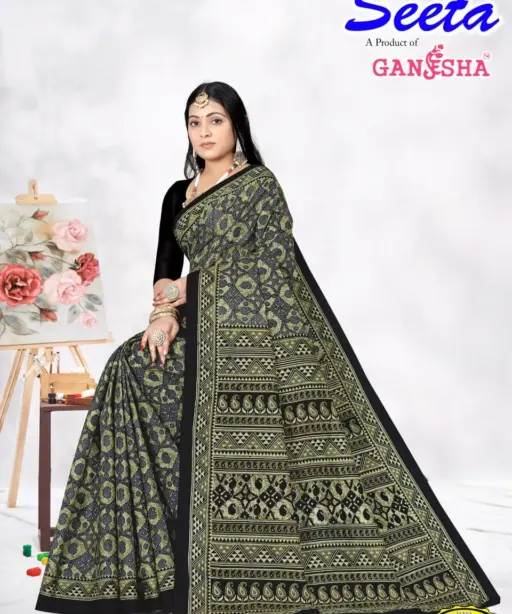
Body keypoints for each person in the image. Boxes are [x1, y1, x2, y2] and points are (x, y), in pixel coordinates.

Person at [35, 82, 501, 614]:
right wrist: (163, 316)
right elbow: (165, 271)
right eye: (194, 122)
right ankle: (154, 558)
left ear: (237, 126)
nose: (204, 132)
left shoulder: (260, 184)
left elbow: (273, 262)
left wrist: (194, 286)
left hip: (258, 328)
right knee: (127, 366)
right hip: (199, 324)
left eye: (215, 120)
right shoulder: (177, 194)